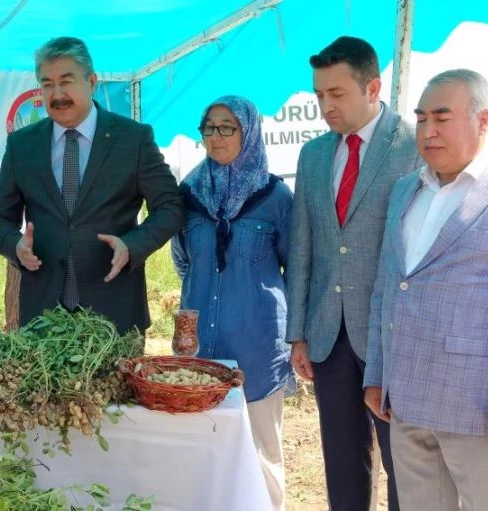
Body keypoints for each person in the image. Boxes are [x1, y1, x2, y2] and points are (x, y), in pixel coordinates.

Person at [363, 69, 488, 511]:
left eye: (442, 119)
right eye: (422, 119)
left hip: (480, 409)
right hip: (405, 400)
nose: (428, 131)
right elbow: (388, 288)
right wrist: (376, 375)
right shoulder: (406, 189)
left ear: (483, 121)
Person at [286, 36, 421, 510]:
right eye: (319, 95)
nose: (325, 106)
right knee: (342, 464)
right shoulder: (315, 154)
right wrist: (298, 333)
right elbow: (303, 245)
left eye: (336, 94)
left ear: (373, 87)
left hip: (393, 336)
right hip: (328, 335)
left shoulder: (414, 145)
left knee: (403, 464)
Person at [0, 36, 184, 334]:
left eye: (66, 81)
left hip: (115, 312)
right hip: (43, 319)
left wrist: (131, 246)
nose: (57, 94)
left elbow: (170, 206)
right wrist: (16, 247)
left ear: (91, 81)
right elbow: (0, 219)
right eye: (47, 83)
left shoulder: (133, 139)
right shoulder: (21, 145)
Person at [171, 95, 292, 511]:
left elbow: (295, 264)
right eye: (209, 127)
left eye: (227, 127)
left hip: (257, 342)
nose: (216, 136)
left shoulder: (275, 197)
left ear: (249, 131)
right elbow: (183, 259)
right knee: (203, 442)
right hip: (199, 342)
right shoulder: (189, 195)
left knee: (260, 447)